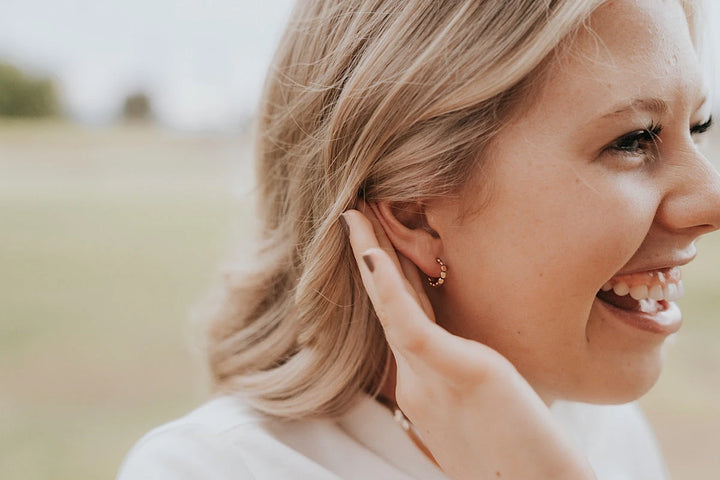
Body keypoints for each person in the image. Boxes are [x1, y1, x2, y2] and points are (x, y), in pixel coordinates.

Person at [117, 0, 720, 478]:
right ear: (412, 213)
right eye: (635, 139)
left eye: (699, 125)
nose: (711, 202)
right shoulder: (214, 471)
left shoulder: (603, 432)